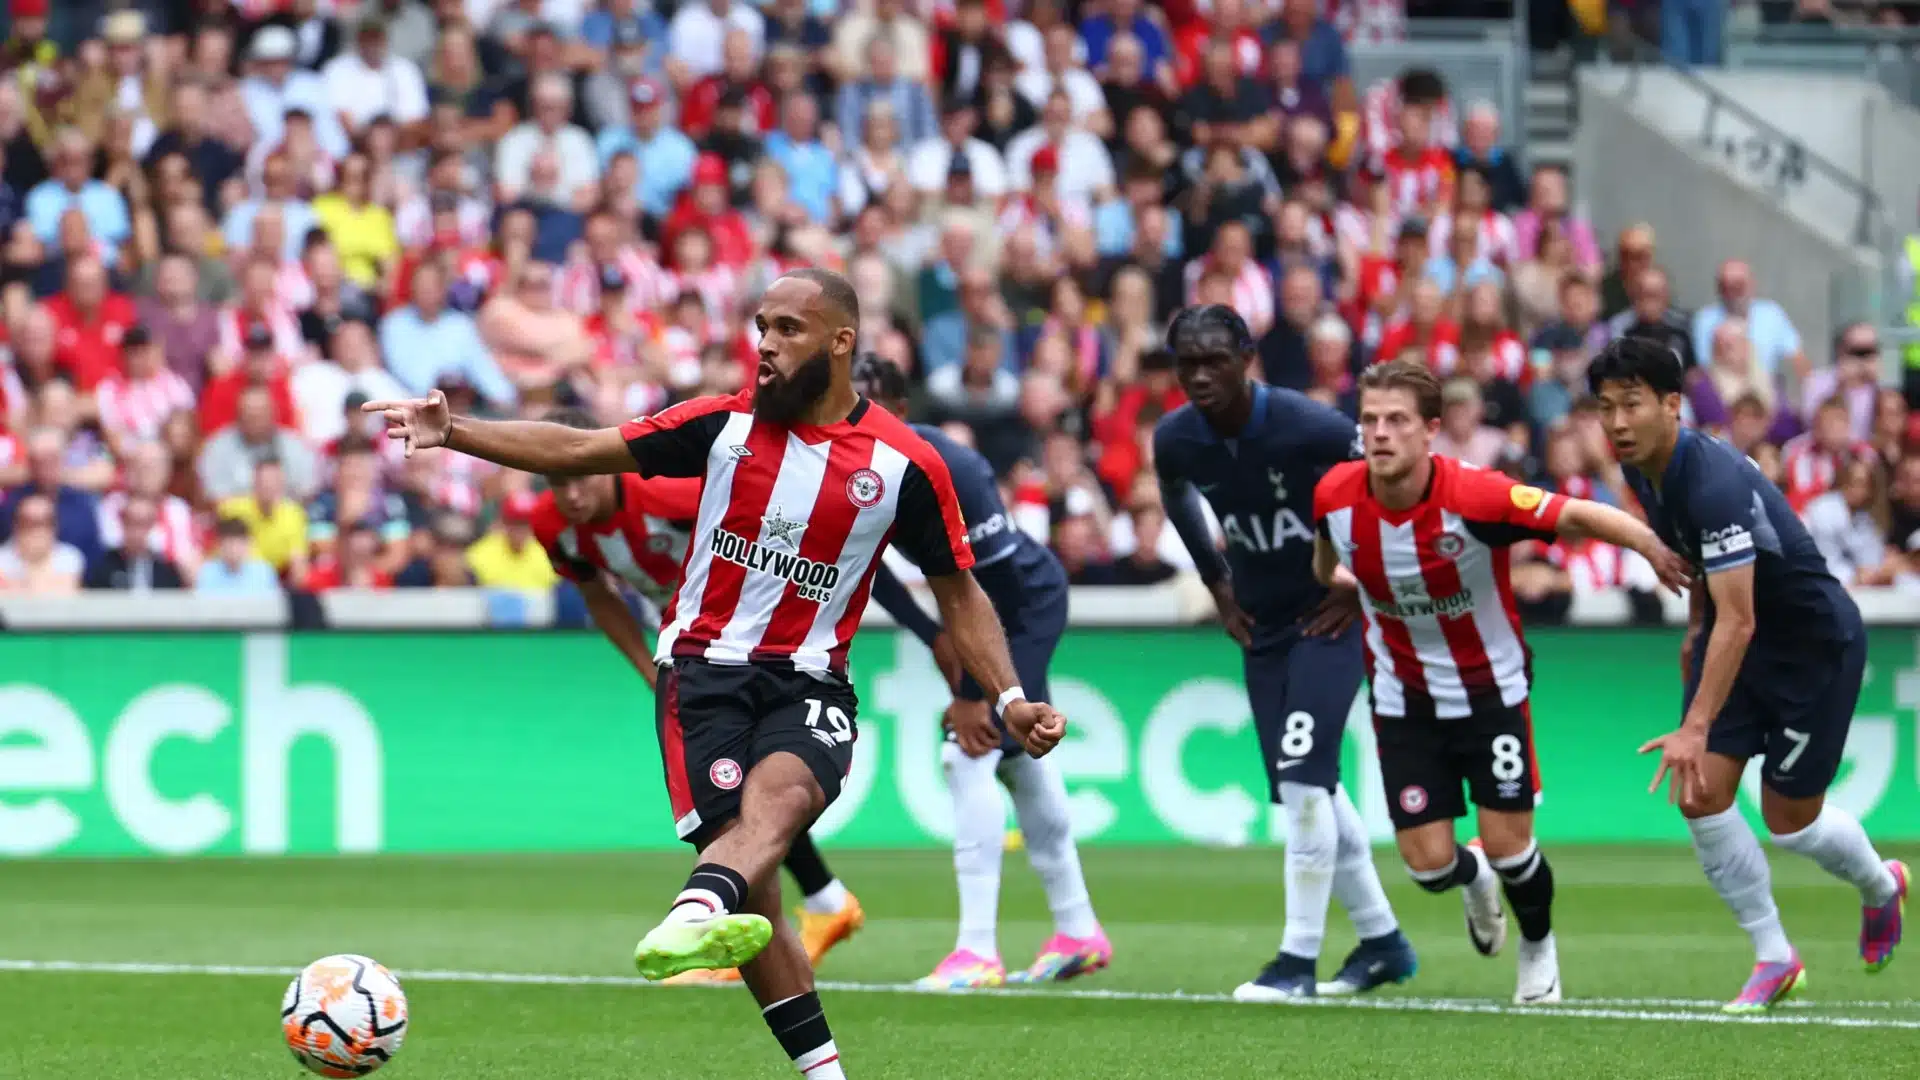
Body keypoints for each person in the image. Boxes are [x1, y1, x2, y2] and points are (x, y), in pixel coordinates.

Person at [365, 269, 1065, 1080]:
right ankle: (817, 1061)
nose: (765, 342)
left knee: (786, 797)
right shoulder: (721, 426)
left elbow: (959, 590)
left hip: (810, 678)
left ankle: (694, 905)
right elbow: (580, 447)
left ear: (842, 343)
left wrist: (1008, 697)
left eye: (788, 328)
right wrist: (455, 432)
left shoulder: (905, 464)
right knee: (758, 894)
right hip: (700, 674)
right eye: (761, 325)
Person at [1311, 358, 1691, 1006]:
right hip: (1404, 699)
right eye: (1370, 419)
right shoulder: (1336, 495)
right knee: (1427, 866)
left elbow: (1577, 515)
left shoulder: (1475, 495)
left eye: (1396, 420)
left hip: (1491, 694)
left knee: (1515, 849)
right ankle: (1472, 876)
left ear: (1431, 430)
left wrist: (1652, 547)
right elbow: (1326, 563)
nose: (1379, 433)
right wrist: (1346, 590)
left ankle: (1538, 946)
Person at [1589, 336, 1909, 1013]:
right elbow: (1708, 574)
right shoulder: (1646, 468)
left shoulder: (1711, 482)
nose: (1616, 422)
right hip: (1740, 634)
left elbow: (1743, 619)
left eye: (1632, 405)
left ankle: (1881, 887)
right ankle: (1774, 957)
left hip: (1811, 647)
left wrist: (1694, 721)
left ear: (1672, 405)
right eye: (1605, 407)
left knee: (1790, 821)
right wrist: (1694, 630)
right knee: (1700, 794)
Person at [528, 408, 868, 987]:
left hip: (756, 643)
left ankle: (759, 919)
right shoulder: (552, 525)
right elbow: (599, 594)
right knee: (740, 788)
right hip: (691, 652)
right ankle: (820, 901)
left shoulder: (672, 493)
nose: (570, 495)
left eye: (579, 477)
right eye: (557, 482)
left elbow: (771, 519)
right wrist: (646, 667)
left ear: (605, 465)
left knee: (747, 789)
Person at [1150, 304, 1414, 1001]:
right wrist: (1216, 579)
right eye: (1187, 363)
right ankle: (1384, 942)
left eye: (1215, 360)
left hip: (1326, 621)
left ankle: (1296, 962)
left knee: (1302, 782)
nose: (1201, 376)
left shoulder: (1312, 427)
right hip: (1263, 625)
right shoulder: (1178, 438)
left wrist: (1362, 588)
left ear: (1247, 357)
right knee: (1313, 787)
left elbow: (1393, 484)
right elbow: (1173, 490)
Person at [853, 355, 1109, 990]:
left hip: (1025, 602)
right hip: (977, 615)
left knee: (966, 753)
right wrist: (931, 636)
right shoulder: (844, 468)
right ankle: (1078, 931)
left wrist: (974, 691)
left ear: (902, 409)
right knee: (1019, 760)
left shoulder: (954, 467)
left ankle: (977, 952)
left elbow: (996, 586)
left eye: (867, 404)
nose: (851, 417)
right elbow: (867, 567)